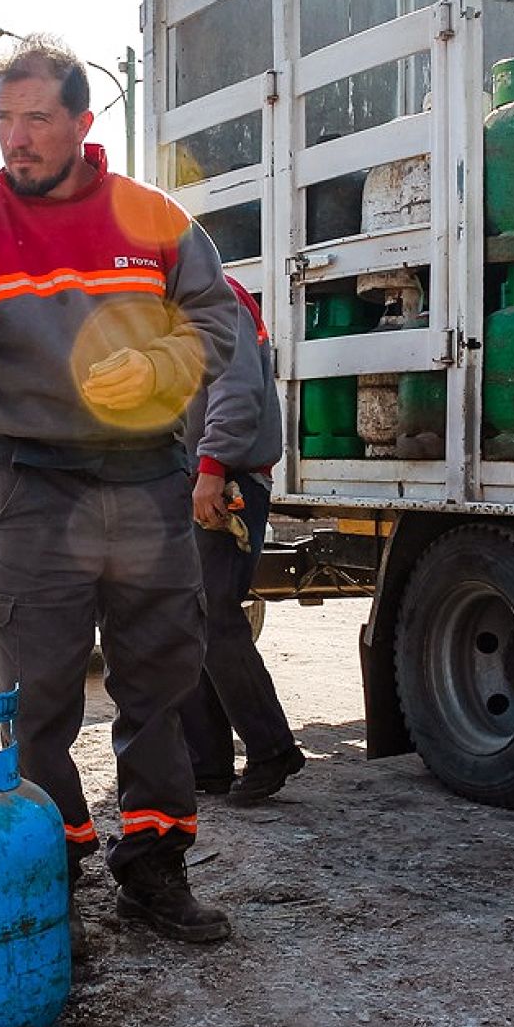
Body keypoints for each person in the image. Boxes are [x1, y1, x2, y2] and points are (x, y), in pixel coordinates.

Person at [0, 35, 242, 946]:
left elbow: (220, 320)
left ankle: (155, 870)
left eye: (36, 118)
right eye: (4, 120)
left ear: (84, 123)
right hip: (34, 488)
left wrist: (165, 361)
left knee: (158, 687)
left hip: (146, 484)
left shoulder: (152, 217)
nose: (17, 138)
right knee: (38, 696)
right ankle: (52, 870)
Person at [180, 279, 304, 803]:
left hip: (227, 480)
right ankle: (207, 764)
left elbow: (237, 386)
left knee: (215, 615)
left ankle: (272, 748)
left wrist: (211, 466)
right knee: (187, 619)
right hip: (195, 482)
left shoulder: (213, 297)